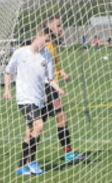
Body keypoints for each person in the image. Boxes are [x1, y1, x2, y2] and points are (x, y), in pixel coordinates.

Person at [3, 28, 64, 176]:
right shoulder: (20, 53)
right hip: (25, 98)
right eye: (46, 40)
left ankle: (21, 167)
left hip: (39, 99)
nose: (46, 43)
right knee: (39, 125)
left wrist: (58, 88)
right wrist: (7, 89)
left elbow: (50, 79)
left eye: (49, 41)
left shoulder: (47, 56)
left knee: (30, 132)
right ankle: (31, 161)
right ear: (38, 36)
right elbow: (8, 71)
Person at [41, 14, 83, 162]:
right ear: (50, 27)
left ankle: (68, 153)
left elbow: (53, 66)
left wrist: (61, 72)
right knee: (38, 125)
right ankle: (27, 160)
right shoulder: (44, 45)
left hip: (51, 87)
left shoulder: (52, 45)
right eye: (58, 25)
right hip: (46, 88)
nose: (61, 28)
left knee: (59, 117)